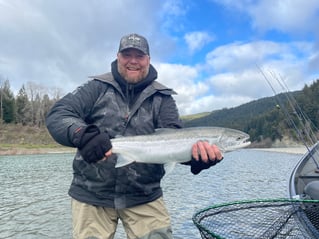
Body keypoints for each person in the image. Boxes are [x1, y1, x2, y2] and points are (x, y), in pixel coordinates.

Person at [46, 33, 223, 239]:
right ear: (117, 57)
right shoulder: (96, 87)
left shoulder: (162, 98)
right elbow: (59, 115)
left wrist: (196, 159)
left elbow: (174, 142)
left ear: (148, 59)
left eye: (139, 56)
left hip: (145, 195)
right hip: (91, 193)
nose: (133, 61)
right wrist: (82, 134)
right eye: (126, 54)